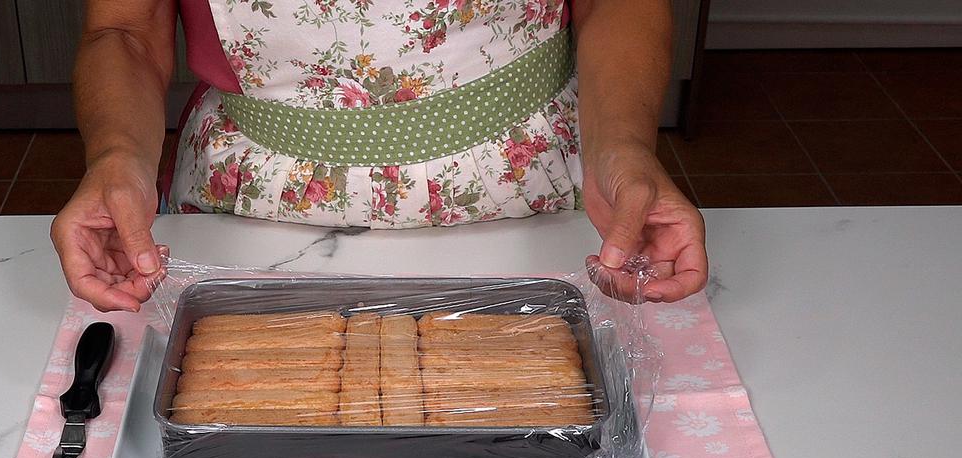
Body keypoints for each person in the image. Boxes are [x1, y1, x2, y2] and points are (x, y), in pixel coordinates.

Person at [51, 0, 707, 312]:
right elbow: (125, 29)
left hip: (532, 188)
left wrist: (622, 147)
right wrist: (115, 156)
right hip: (249, 209)